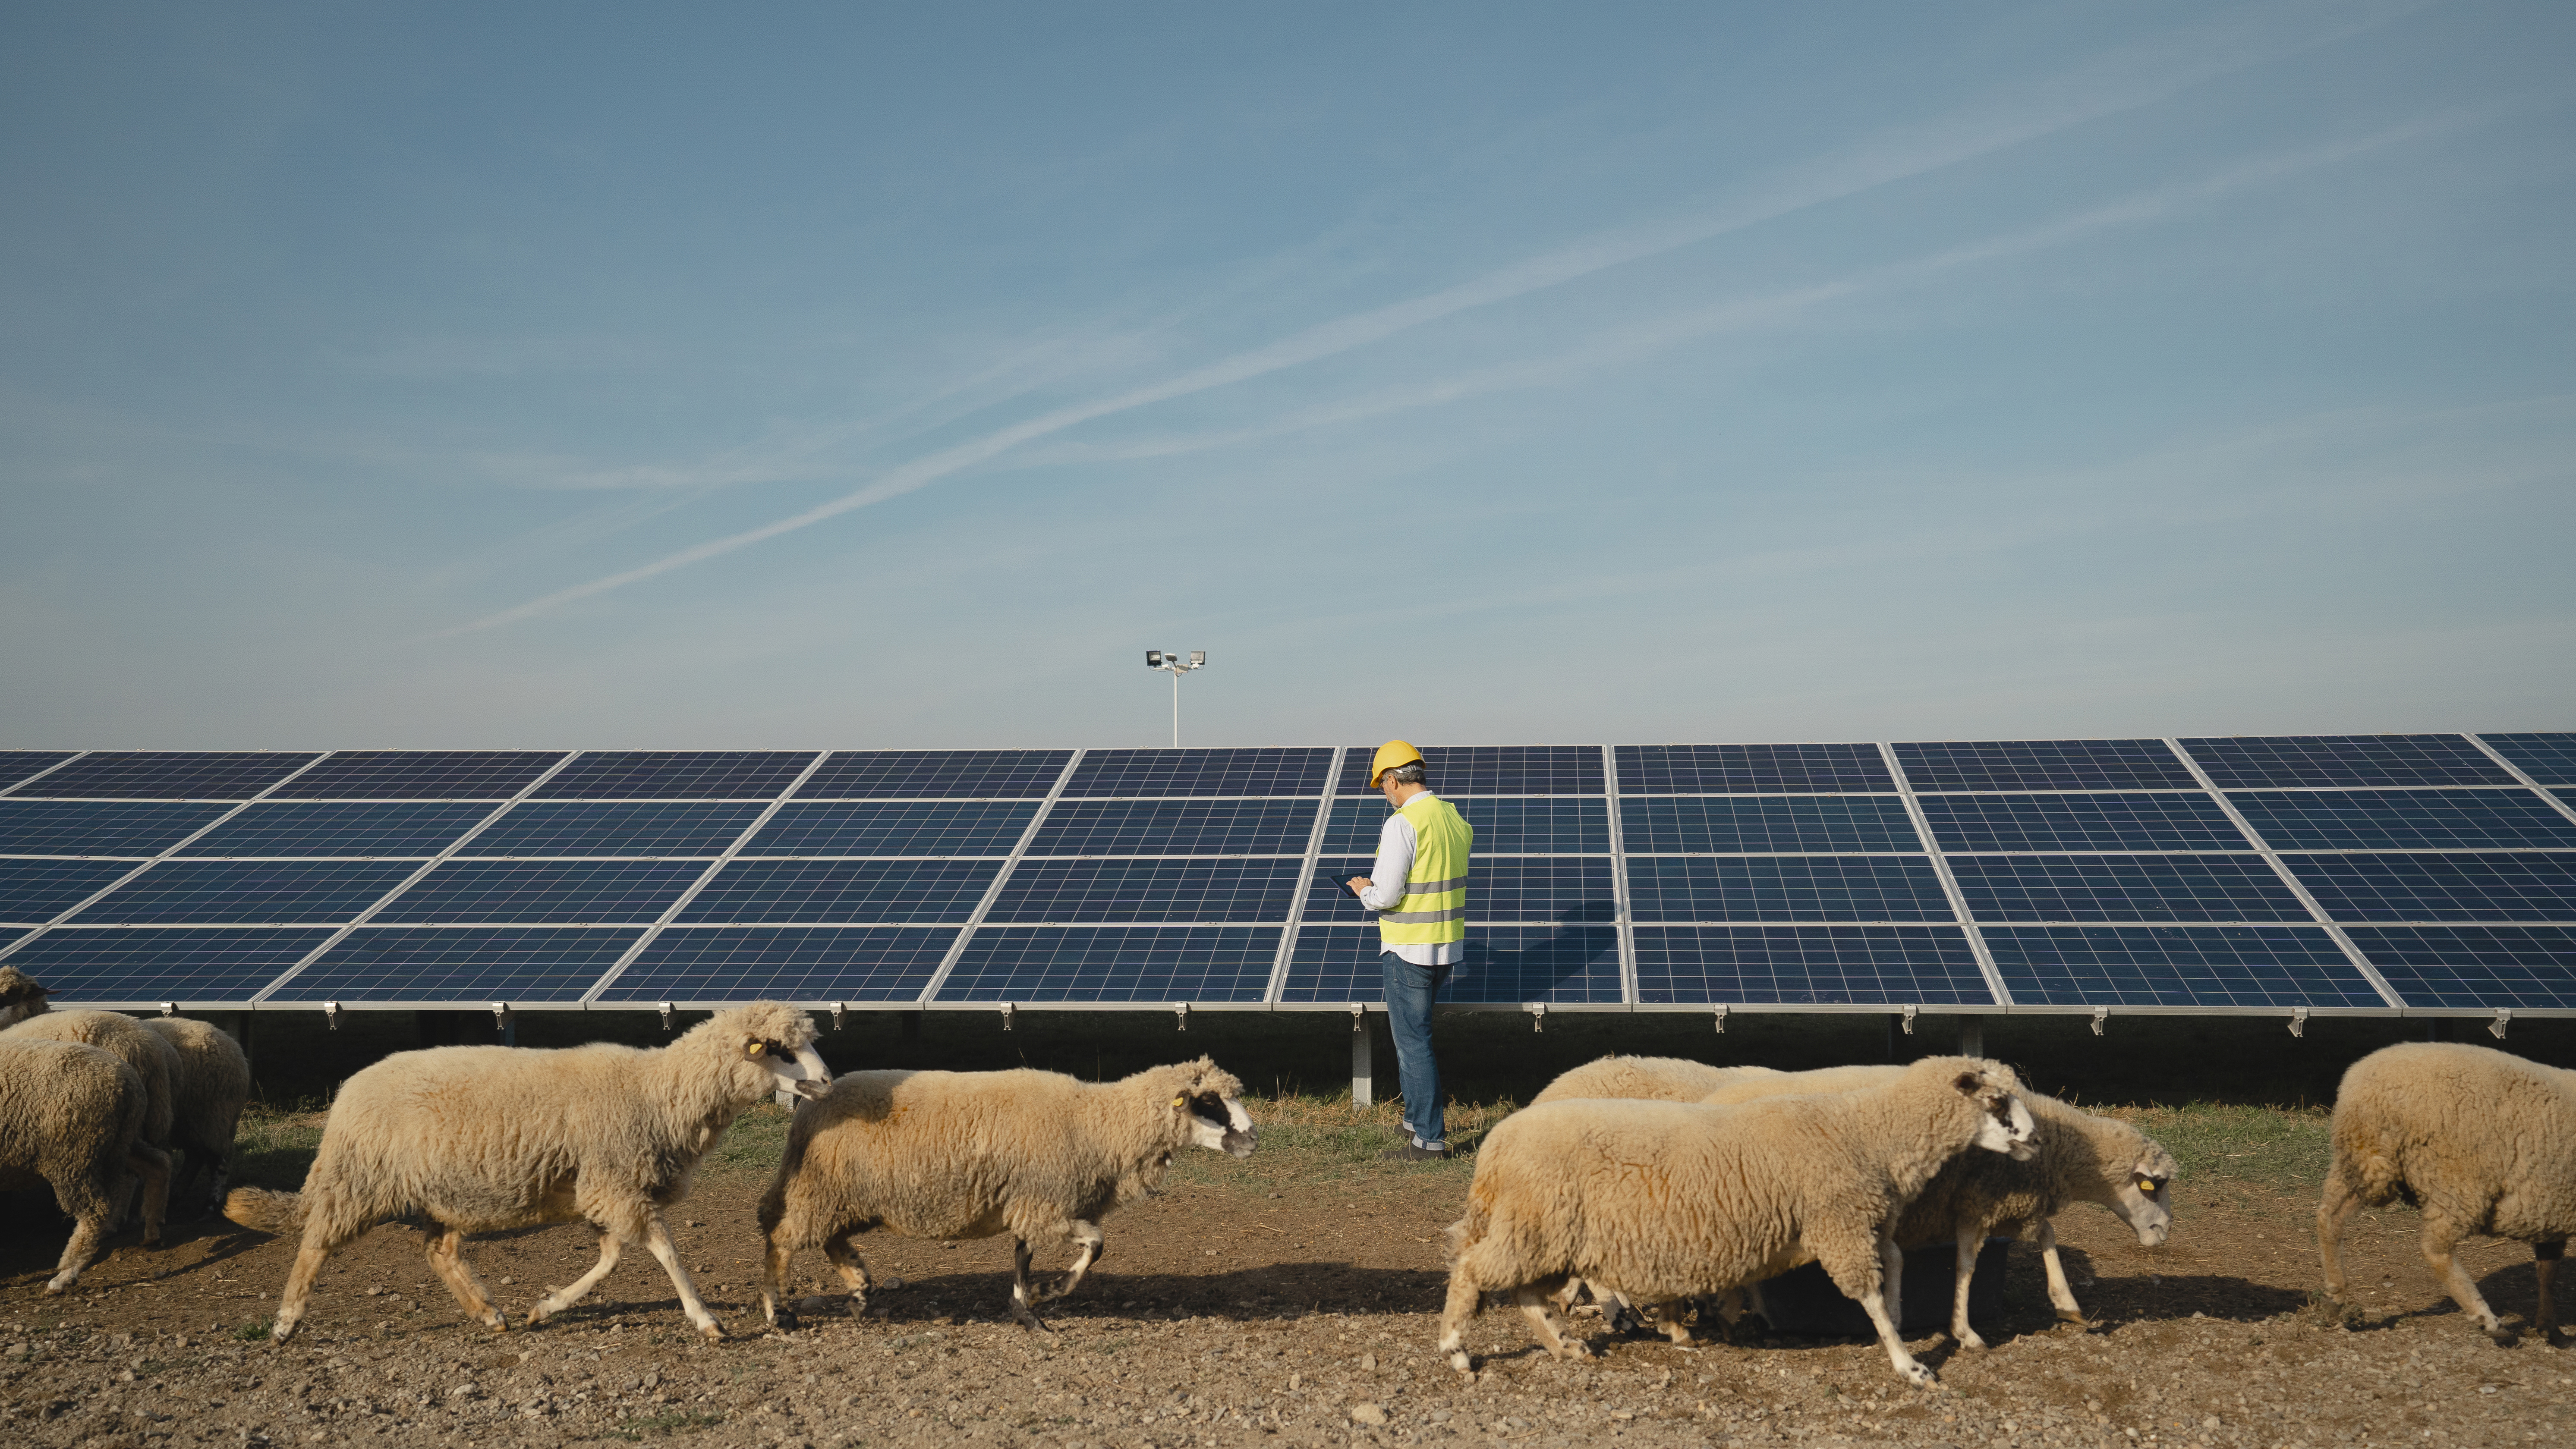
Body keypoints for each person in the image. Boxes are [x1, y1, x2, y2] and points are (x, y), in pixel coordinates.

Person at [1345, 739, 1472, 1161]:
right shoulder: (1453, 817)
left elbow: (1388, 893)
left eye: (1383, 785)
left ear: (1394, 780)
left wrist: (1364, 891)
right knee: (1418, 1038)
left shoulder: (1403, 823)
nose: (1384, 793)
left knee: (1413, 1042)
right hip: (1445, 946)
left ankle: (1428, 1140)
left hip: (1408, 949)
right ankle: (1417, 1121)